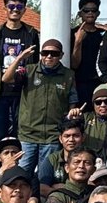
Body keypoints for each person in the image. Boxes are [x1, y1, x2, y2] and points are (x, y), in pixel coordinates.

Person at [10, 37, 77, 183]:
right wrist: (20, 57)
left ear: (61, 56)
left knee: (45, 179)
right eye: (45, 53)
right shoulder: (29, 70)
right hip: (28, 135)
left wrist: (72, 115)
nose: (49, 57)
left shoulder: (68, 75)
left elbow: (72, 101)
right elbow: (6, 79)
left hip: (52, 137)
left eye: (54, 54)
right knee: (20, 177)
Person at [0, 0, 40, 143]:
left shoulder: (31, 33)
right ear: (5, 8)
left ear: (24, 10)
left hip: (23, 91)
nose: (15, 9)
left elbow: (35, 64)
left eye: (19, 6)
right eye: (11, 6)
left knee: (20, 132)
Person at [69, 0, 107, 105]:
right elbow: (74, 65)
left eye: (93, 10)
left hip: (101, 82)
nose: (90, 13)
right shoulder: (72, 33)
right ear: (80, 14)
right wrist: (78, 42)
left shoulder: (105, 34)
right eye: (86, 10)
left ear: (98, 13)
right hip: (80, 83)